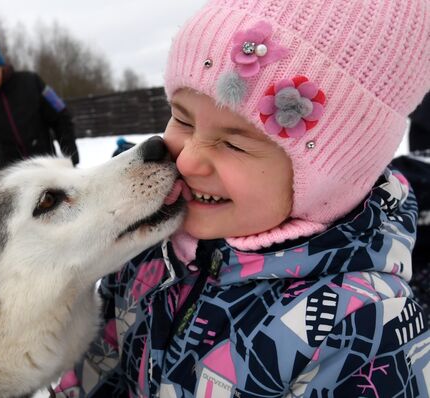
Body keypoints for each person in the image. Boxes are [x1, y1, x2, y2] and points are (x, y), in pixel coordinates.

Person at [55, 0, 430, 396]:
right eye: (182, 118)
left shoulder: (362, 330)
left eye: (235, 144)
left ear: (332, 178)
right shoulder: (143, 244)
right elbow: (94, 373)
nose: (189, 158)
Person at [0, 18, 79, 184]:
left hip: (49, 172)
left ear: (0, 65)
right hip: (9, 185)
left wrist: (71, 158)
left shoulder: (31, 82)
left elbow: (61, 117)